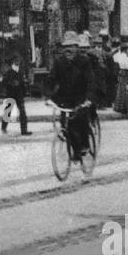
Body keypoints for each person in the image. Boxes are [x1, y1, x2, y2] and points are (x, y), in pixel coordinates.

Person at [49, 30, 96, 165]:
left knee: (78, 122)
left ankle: (84, 147)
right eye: (66, 47)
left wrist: (88, 98)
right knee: (65, 126)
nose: (69, 50)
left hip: (80, 98)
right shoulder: (59, 62)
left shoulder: (84, 61)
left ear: (77, 47)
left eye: (72, 46)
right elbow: (52, 79)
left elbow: (90, 81)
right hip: (64, 99)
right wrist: (49, 95)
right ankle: (74, 148)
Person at [0, 52, 30, 135]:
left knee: (23, 113)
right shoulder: (8, 71)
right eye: (16, 60)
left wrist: (24, 92)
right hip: (10, 93)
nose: (18, 61)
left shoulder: (21, 70)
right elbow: (3, 83)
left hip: (19, 94)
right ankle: (3, 128)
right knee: (8, 112)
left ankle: (24, 131)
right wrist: (12, 83)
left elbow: (22, 83)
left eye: (19, 60)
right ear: (13, 61)